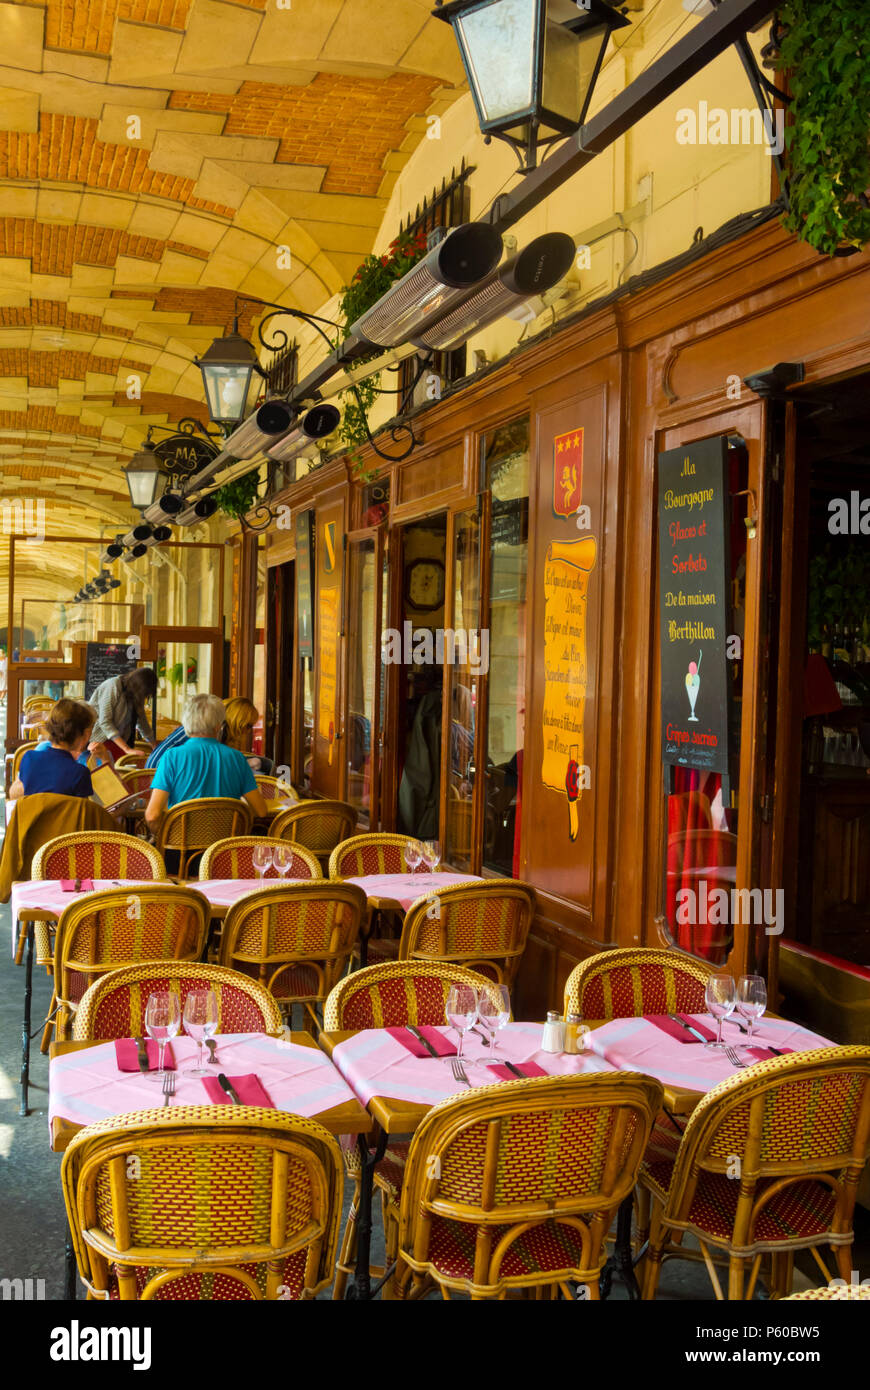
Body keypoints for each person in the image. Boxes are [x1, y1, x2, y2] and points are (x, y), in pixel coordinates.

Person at [145, 693, 268, 835]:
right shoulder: (237, 758)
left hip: (180, 850)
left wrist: (163, 839)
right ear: (218, 726)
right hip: (224, 850)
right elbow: (261, 811)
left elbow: (152, 815)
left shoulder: (172, 757)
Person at [9, 699, 95, 800]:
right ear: (86, 735)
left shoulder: (29, 758)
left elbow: (14, 795)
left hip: (30, 815)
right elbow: (81, 813)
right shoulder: (80, 773)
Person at [89, 667, 157, 762]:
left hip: (118, 742)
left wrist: (154, 746)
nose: (144, 697)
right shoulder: (113, 685)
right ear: (138, 686)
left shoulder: (137, 694)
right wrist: (126, 749)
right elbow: (104, 722)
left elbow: (142, 722)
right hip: (99, 741)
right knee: (112, 772)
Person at [223, 696, 274, 774]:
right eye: (249, 726)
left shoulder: (223, 738)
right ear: (238, 721)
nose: (249, 731)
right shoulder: (217, 738)